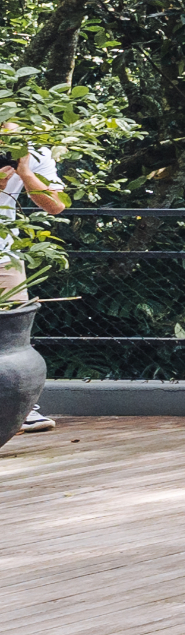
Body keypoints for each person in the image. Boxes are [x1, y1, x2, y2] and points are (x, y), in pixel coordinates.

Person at [4, 141, 59, 426]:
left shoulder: (33, 150)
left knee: (13, 335)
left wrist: (24, 172)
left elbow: (56, 205)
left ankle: (19, 408)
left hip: (4, 255)